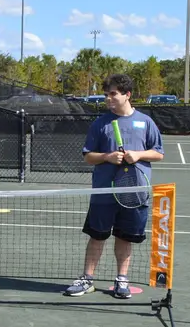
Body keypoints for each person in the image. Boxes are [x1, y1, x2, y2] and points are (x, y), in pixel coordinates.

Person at [65, 73, 164, 299]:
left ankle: (121, 280)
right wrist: (107, 157)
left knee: (125, 237)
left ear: (127, 95)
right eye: (106, 95)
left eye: (113, 94)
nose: (108, 99)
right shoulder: (100, 124)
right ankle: (87, 279)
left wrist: (137, 155)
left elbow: (158, 153)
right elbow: (88, 157)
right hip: (104, 192)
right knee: (97, 236)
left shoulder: (145, 122)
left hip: (133, 193)